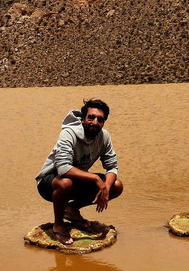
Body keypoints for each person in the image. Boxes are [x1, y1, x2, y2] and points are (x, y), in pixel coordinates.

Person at [35, 98, 124, 245]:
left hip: (76, 180)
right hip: (50, 183)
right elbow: (63, 168)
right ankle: (58, 224)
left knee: (116, 185)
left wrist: (106, 187)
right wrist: (96, 179)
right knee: (65, 182)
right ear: (83, 119)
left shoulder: (104, 136)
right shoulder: (68, 133)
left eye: (100, 119)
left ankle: (72, 208)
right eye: (91, 117)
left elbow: (112, 167)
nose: (95, 122)